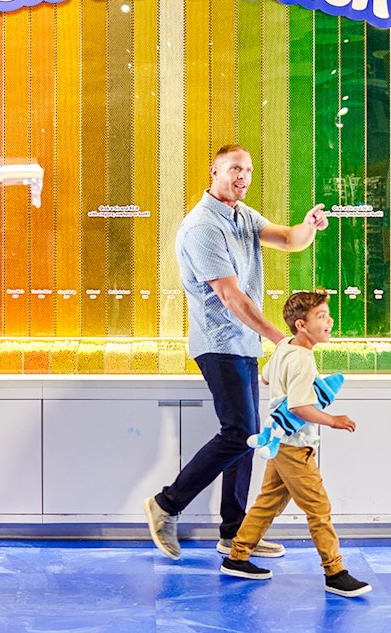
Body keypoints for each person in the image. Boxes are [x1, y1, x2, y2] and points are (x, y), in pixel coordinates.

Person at [145, 144, 328, 560]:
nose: (242, 176)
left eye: (246, 169)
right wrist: (279, 338)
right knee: (238, 434)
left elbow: (288, 239)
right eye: (233, 169)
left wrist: (309, 225)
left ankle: (234, 532)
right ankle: (166, 504)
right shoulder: (203, 227)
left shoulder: (242, 216)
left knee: (246, 436)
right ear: (214, 172)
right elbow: (231, 297)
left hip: (243, 344)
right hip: (218, 343)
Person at [219, 291, 371, 597]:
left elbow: (264, 378)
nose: (329, 321)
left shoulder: (284, 347)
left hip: (279, 441)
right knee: (319, 508)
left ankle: (237, 556)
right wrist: (334, 419)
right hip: (295, 446)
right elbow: (300, 407)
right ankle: (335, 571)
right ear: (302, 325)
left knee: (267, 504)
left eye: (328, 315)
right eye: (321, 317)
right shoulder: (302, 358)